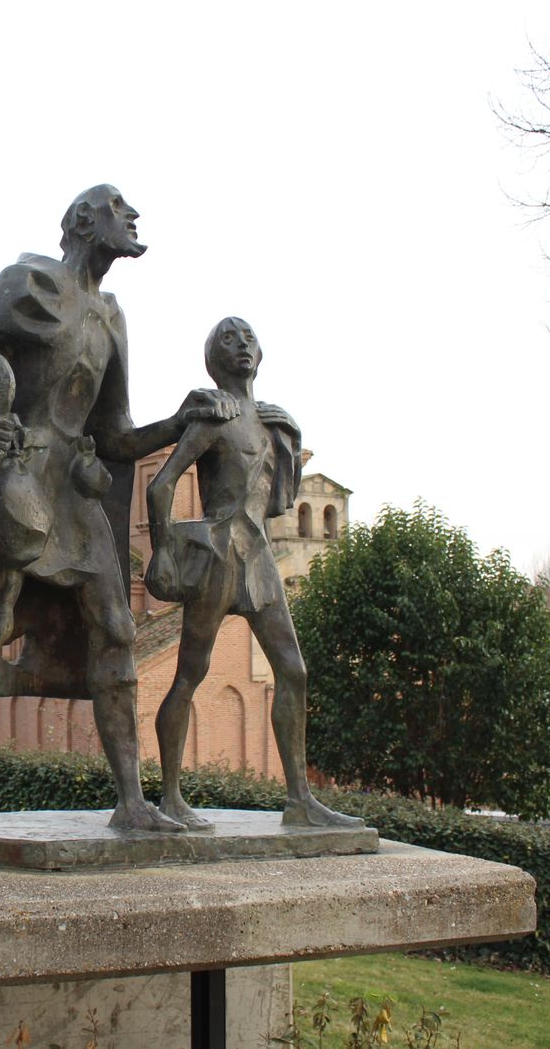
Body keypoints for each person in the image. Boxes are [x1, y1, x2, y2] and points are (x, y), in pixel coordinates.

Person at [0, 185, 236, 832]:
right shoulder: (27, 283)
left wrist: (179, 421)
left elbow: (114, 435)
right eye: (119, 206)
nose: (133, 216)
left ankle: (131, 803)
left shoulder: (112, 316)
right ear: (85, 220)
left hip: (75, 496)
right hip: (17, 483)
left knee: (116, 629)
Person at [145, 317, 363, 830]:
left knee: (294, 672)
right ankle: (171, 797)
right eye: (229, 339)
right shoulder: (214, 414)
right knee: (190, 676)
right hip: (219, 555)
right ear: (214, 357)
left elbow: (281, 501)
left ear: (260, 353)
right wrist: (165, 552)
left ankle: (299, 801)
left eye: (248, 338)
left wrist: (293, 432)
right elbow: (161, 485)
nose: (241, 345)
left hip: (258, 558)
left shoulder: (271, 421)